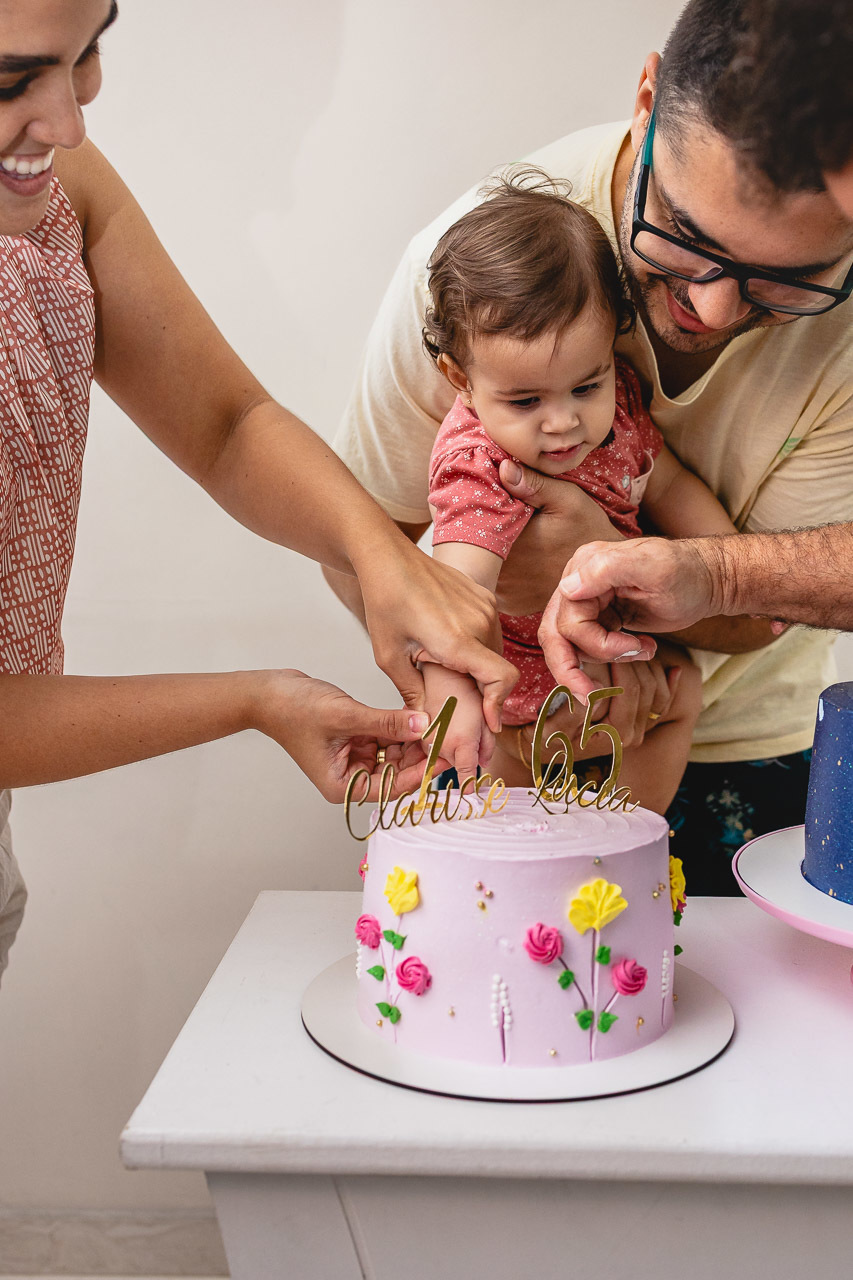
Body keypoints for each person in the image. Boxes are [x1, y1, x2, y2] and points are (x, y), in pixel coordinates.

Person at [0, 0, 519, 984]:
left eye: (90, 51)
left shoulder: (59, 187)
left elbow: (226, 425)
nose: (70, 122)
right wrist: (258, 699)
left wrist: (380, 554)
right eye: (14, 82)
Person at [327, 0, 853, 892]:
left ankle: (625, 837)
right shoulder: (473, 279)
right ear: (646, 102)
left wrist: (671, 579)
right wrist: (479, 712)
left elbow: (754, 597)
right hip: (516, 711)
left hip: (746, 742)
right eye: (684, 244)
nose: (716, 310)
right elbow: (363, 547)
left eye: (789, 281)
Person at [418, 170, 780, 815]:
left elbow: (667, 481)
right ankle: (516, 849)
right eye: (525, 401)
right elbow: (455, 601)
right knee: (506, 800)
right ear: (460, 379)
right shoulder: (480, 464)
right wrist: (458, 706)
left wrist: (734, 568)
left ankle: (624, 843)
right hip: (531, 684)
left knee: (681, 692)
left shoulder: (621, 400)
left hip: (612, 649)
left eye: (585, 386)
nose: (563, 423)